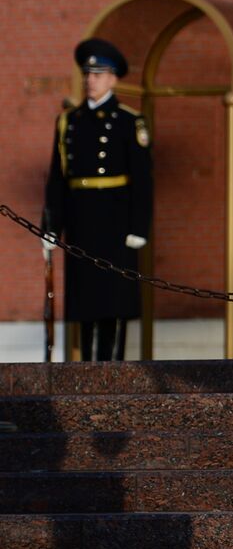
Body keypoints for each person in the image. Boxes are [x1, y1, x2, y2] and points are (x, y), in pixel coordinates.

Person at [42, 38, 152, 362]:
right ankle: (83, 369)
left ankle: (111, 368)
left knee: (113, 302)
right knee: (84, 302)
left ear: (113, 78)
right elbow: (58, 179)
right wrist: (52, 226)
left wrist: (138, 227)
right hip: (81, 221)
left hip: (116, 223)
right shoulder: (69, 122)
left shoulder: (129, 121)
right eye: (88, 73)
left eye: (99, 73)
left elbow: (143, 180)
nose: (91, 80)